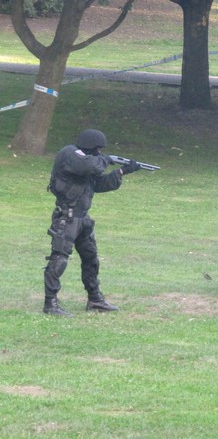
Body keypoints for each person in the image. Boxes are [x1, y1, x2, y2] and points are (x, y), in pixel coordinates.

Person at [42, 129, 142, 316]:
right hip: (67, 217)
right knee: (59, 259)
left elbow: (99, 184)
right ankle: (50, 303)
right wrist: (108, 159)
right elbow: (91, 167)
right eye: (98, 149)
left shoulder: (88, 162)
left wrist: (122, 171)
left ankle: (95, 299)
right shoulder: (71, 154)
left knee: (91, 259)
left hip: (82, 219)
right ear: (90, 146)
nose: (100, 153)